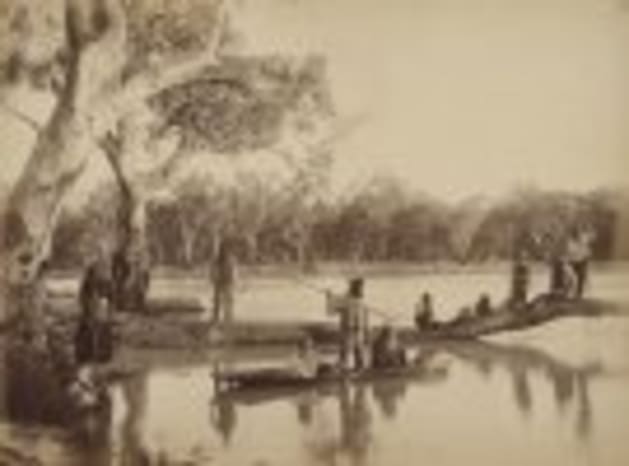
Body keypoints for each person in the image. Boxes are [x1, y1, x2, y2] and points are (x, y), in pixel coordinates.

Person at [327, 277, 370, 371]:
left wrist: (366, 332)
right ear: (352, 287)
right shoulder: (345, 300)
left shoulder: (361, 301)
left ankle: (360, 370)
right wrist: (329, 298)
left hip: (359, 331)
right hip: (348, 331)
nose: (360, 289)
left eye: (361, 287)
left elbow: (366, 317)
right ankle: (344, 369)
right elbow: (331, 312)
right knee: (345, 353)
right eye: (358, 287)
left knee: (359, 352)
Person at [210, 237, 238, 324]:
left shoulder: (229, 259)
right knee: (221, 301)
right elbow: (213, 270)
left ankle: (225, 318)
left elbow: (233, 271)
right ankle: (220, 318)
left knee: (225, 301)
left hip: (225, 281)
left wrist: (233, 280)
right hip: (222, 281)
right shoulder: (219, 259)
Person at [566, 229, 593, 298]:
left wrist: (585, 258)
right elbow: (570, 252)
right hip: (572, 262)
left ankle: (578, 294)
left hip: (581, 261)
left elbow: (587, 252)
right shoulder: (570, 242)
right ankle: (569, 292)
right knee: (571, 278)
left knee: (581, 277)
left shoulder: (583, 241)